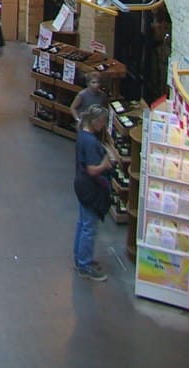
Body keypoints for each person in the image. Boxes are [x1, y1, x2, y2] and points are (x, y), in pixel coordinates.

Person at [73, 104, 115, 281]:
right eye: (103, 122)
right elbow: (92, 170)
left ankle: (80, 259)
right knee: (89, 227)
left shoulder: (83, 133)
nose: (104, 126)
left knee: (83, 224)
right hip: (90, 187)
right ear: (96, 121)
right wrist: (105, 164)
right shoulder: (90, 142)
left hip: (81, 185)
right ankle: (85, 265)